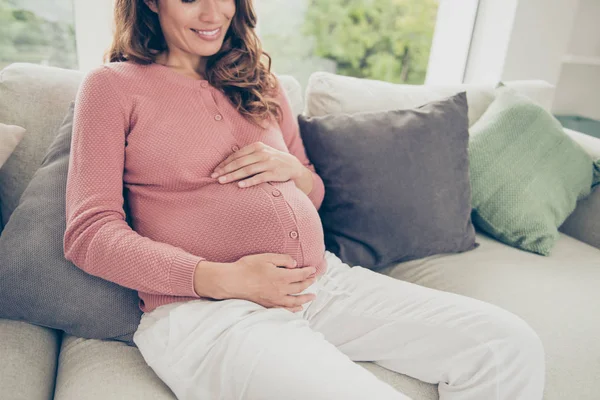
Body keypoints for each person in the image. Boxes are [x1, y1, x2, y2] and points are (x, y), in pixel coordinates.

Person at [62, 0, 545, 399]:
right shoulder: (113, 86)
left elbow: (314, 192)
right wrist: (224, 279)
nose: (213, 13)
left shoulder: (259, 83)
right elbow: (89, 234)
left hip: (322, 285)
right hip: (206, 311)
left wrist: (293, 172)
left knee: (507, 344)